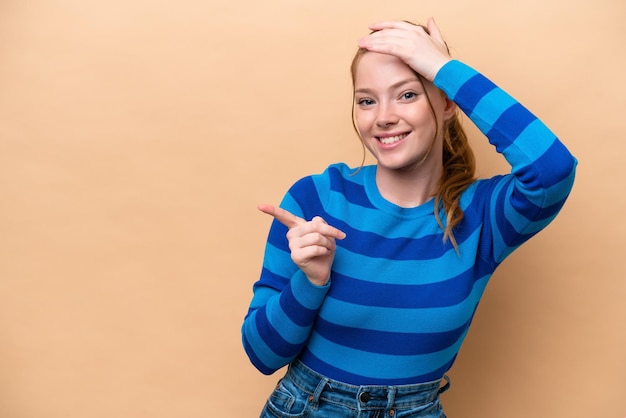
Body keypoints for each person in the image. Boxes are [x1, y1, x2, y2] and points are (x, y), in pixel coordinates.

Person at [242, 17, 577, 417]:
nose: (382, 116)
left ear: (448, 102)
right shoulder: (317, 198)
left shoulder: (483, 217)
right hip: (305, 407)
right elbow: (261, 354)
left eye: (407, 95)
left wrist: (442, 69)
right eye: (367, 100)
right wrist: (310, 281)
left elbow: (552, 168)